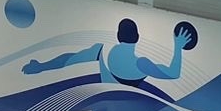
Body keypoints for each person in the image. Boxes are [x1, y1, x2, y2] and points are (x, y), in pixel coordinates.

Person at [23, 18, 190, 89]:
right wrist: (178, 47)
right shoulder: (142, 64)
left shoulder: (101, 51)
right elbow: (173, 73)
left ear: (118, 36)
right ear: (138, 37)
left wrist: (41, 66)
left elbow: (68, 59)